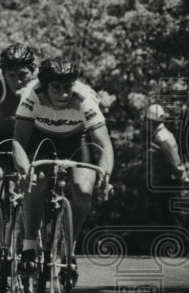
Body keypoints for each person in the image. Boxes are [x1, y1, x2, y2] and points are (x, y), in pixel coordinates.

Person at [12, 58, 114, 281]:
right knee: (36, 180)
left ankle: (69, 250)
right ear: (45, 87)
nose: (63, 93)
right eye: (55, 88)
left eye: (67, 87)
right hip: (41, 138)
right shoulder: (32, 95)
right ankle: (29, 247)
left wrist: (105, 177)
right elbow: (18, 140)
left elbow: (105, 145)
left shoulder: (84, 98)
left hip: (76, 139)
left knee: (83, 190)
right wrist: (24, 171)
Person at [0, 43, 36, 253]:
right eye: (11, 75)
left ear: (33, 71)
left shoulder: (41, 84)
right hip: (0, 136)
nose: (17, 81)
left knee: (40, 180)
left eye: (22, 75)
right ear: (3, 73)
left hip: (29, 137)